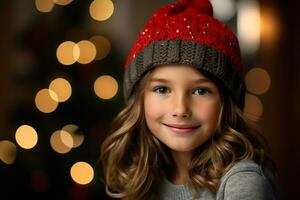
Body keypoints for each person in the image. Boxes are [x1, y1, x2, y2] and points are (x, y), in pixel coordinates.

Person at [100, 0, 284, 199]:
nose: (180, 109)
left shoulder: (242, 182)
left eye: (200, 91)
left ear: (226, 101)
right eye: (162, 89)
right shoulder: (142, 176)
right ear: (140, 98)